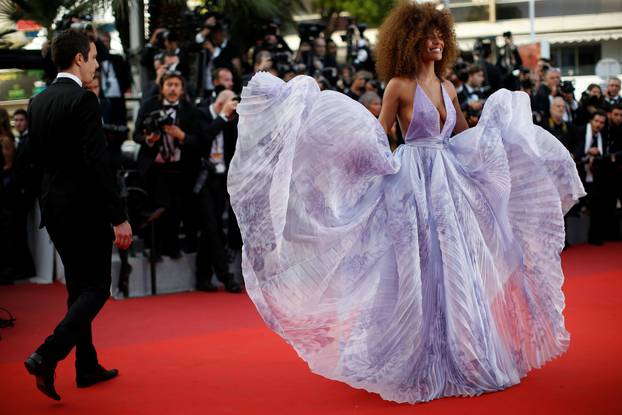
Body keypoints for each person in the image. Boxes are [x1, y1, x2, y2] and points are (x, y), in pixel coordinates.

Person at [227, 1, 584, 404]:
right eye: (427, 35)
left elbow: (465, 137)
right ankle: (414, 354)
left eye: (439, 36)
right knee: (417, 264)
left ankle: (466, 350)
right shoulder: (398, 85)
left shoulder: (449, 87)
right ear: (410, 40)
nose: (435, 42)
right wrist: (353, 156)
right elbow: (380, 137)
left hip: (449, 183)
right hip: (410, 182)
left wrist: (506, 139)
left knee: (456, 263)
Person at [24, 29, 132, 401]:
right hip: (84, 209)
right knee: (97, 289)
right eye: (94, 56)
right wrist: (118, 215)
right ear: (79, 59)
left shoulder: (38, 102)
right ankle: (47, 355)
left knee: (77, 289)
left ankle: (86, 367)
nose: (98, 64)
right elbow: (97, 164)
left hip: (54, 208)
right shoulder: (83, 101)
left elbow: (31, 162)